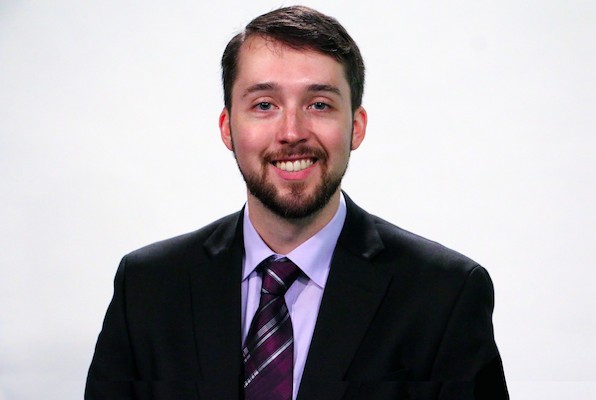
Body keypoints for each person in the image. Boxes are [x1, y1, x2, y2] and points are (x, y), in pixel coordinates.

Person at [86, 6, 509, 400]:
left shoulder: (445, 296)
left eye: (319, 104)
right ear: (228, 127)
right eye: (264, 105)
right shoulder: (147, 288)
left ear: (356, 126)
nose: (292, 132)